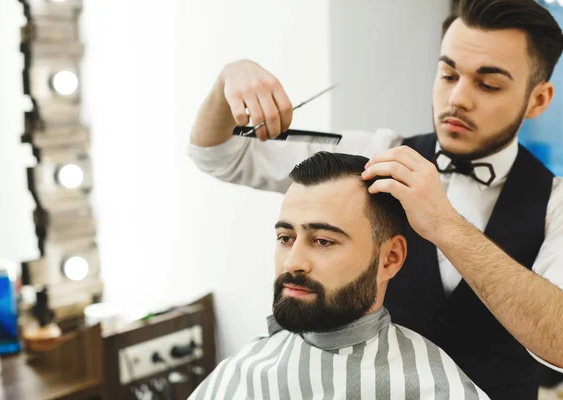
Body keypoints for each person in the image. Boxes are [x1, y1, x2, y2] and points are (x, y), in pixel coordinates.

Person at [187, 0, 563, 398]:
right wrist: (227, 80)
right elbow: (219, 154)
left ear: (537, 100)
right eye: (448, 74)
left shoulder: (555, 203)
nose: (458, 99)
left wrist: (446, 225)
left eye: (488, 84)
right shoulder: (376, 154)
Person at [188, 152, 490, 400]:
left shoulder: (433, 388)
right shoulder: (243, 371)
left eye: (323, 241)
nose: (293, 263)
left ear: (390, 259)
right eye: (285, 238)